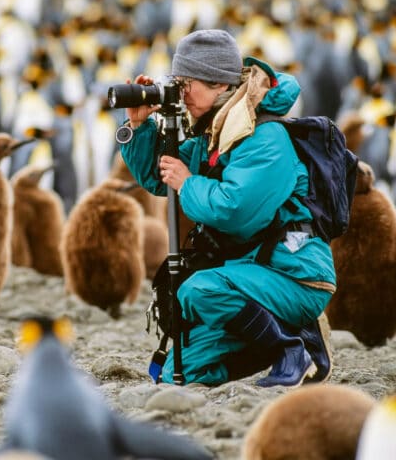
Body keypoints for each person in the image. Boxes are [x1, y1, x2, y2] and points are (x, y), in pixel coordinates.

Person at [119, 29, 335, 387]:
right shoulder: (214, 136)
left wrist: (188, 182)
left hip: (294, 274)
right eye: (178, 82)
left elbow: (235, 209)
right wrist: (139, 125)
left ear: (220, 84)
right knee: (180, 373)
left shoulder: (264, 137)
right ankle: (290, 340)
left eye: (188, 83)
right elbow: (160, 176)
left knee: (196, 289)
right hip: (249, 270)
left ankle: (290, 348)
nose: (181, 92)